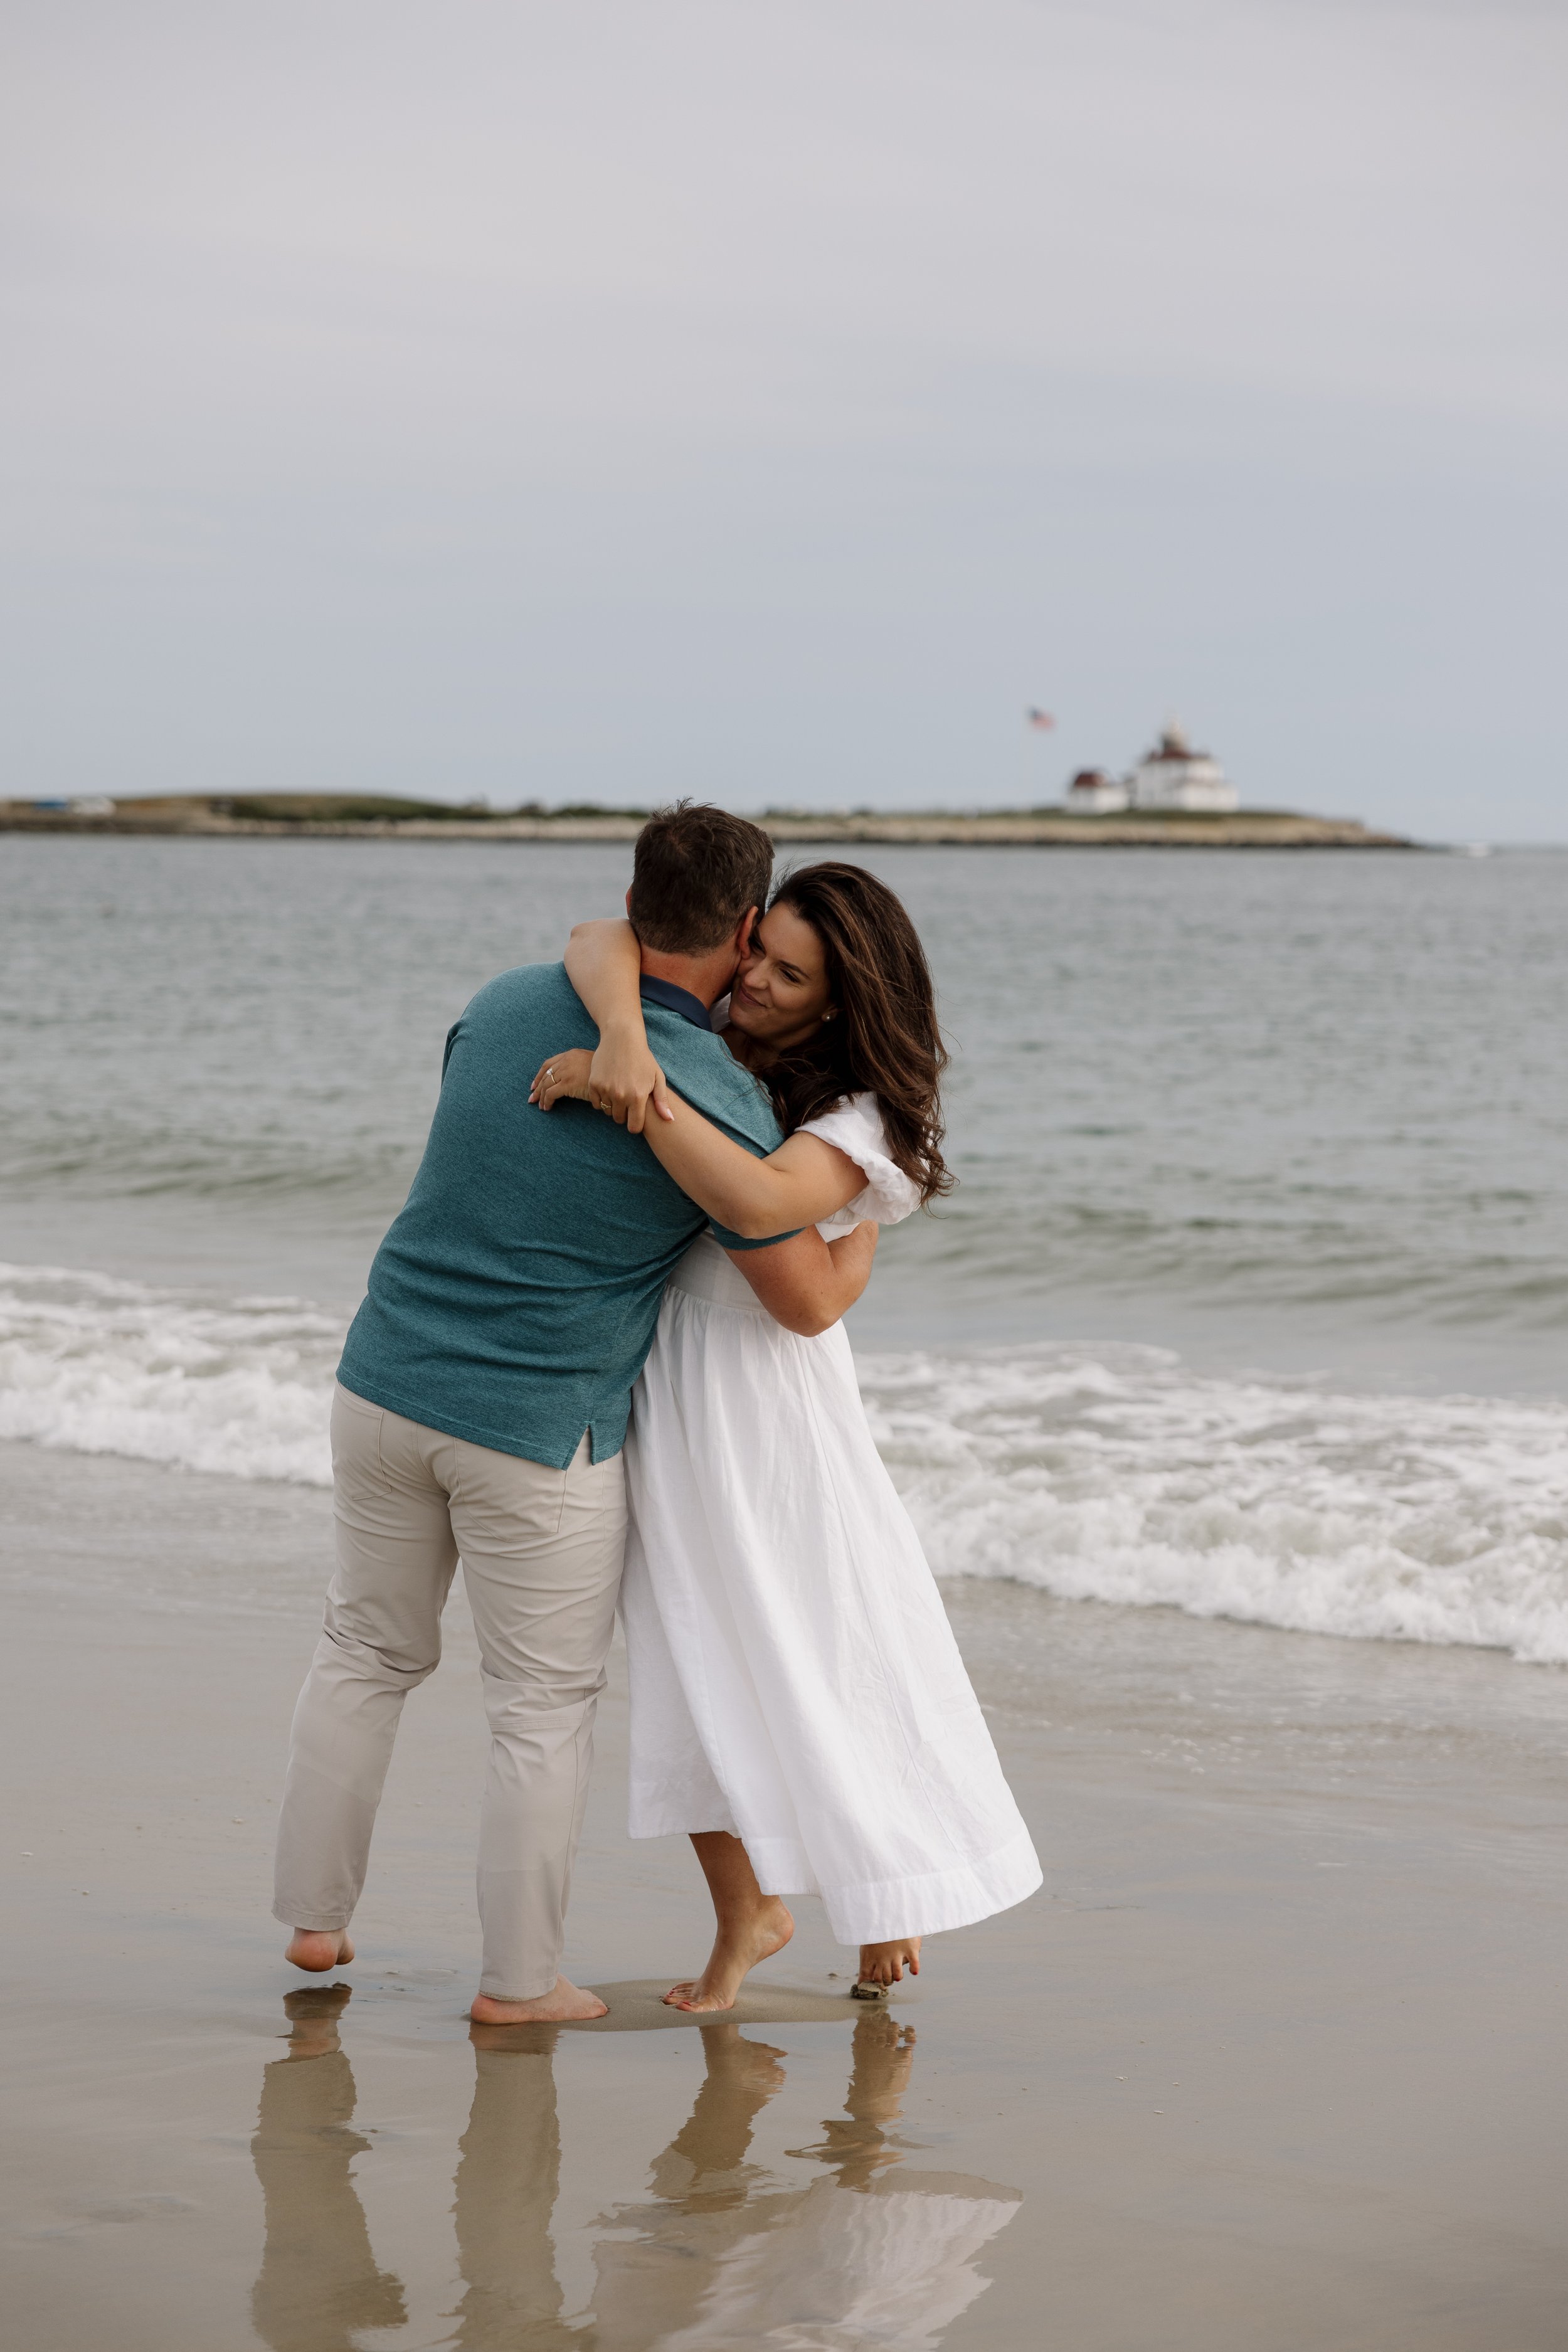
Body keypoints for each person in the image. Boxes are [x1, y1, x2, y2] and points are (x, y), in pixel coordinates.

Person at [270, 804, 857, 2025]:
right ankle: (518, 1985)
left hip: (381, 1380)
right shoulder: (717, 1101)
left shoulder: (494, 1005)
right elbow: (793, 1291)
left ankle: (315, 1922)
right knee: (536, 1712)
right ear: (746, 930)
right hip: (537, 1435)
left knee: (362, 1655)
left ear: (634, 893)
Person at [531, 862, 1041, 2011]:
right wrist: (624, 1029)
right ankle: (746, 1916)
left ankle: (886, 1888)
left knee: (827, 1654)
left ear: (841, 1001)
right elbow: (594, 934)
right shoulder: (720, 1035)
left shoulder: (860, 1120)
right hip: (667, 1383)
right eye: (759, 950)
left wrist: (637, 1088)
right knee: (684, 1660)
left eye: (788, 974)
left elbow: (771, 1232)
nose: (752, 979)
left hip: (767, 1410)